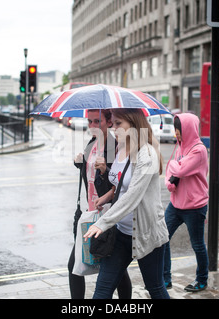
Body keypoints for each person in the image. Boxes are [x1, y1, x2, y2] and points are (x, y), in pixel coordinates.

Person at [84, 108, 170, 299]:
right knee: (102, 291)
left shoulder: (147, 154)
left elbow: (133, 195)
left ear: (133, 124)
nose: (113, 128)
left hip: (147, 234)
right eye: (113, 123)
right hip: (120, 233)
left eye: (118, 124)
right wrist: (106, 196)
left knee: (155, 288)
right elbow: (119, 186)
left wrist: (103, 222)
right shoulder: (122, 149)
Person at [69, 109, 132, 299]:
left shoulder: (114, 146)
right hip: (91, 212)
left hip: (107, 214)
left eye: (97, 121)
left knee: (113, 271)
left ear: (108, 122)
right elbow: (88, 172)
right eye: (89, 122)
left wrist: (105, 170)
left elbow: (117, 186)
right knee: (85, 267)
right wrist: (80, 162)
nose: (93, 126)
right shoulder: (92, 143)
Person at [163, 113, 209, 292]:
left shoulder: (199, 150)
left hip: (194, 206)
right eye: (175, 130)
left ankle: (202, 280)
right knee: (162, 238)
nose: (177, 134)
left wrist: (173, 166)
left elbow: (179, 169)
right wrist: (169, 181)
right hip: (175, 204)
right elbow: (171, 173)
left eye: (179, 130)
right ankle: (165, 279)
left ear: (189, 129)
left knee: (197, 244)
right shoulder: (180, 147)